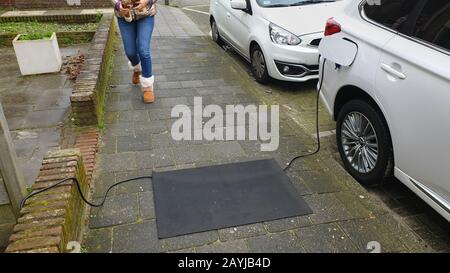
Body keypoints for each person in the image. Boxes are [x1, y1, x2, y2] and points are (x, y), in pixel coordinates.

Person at [112, 0, 157, 103]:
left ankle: (147, 86)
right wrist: (118, 5)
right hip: (124, 16)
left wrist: (147, 1)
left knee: (144, 50)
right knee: (130, 52)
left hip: (146, 15)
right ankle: (137, 69)